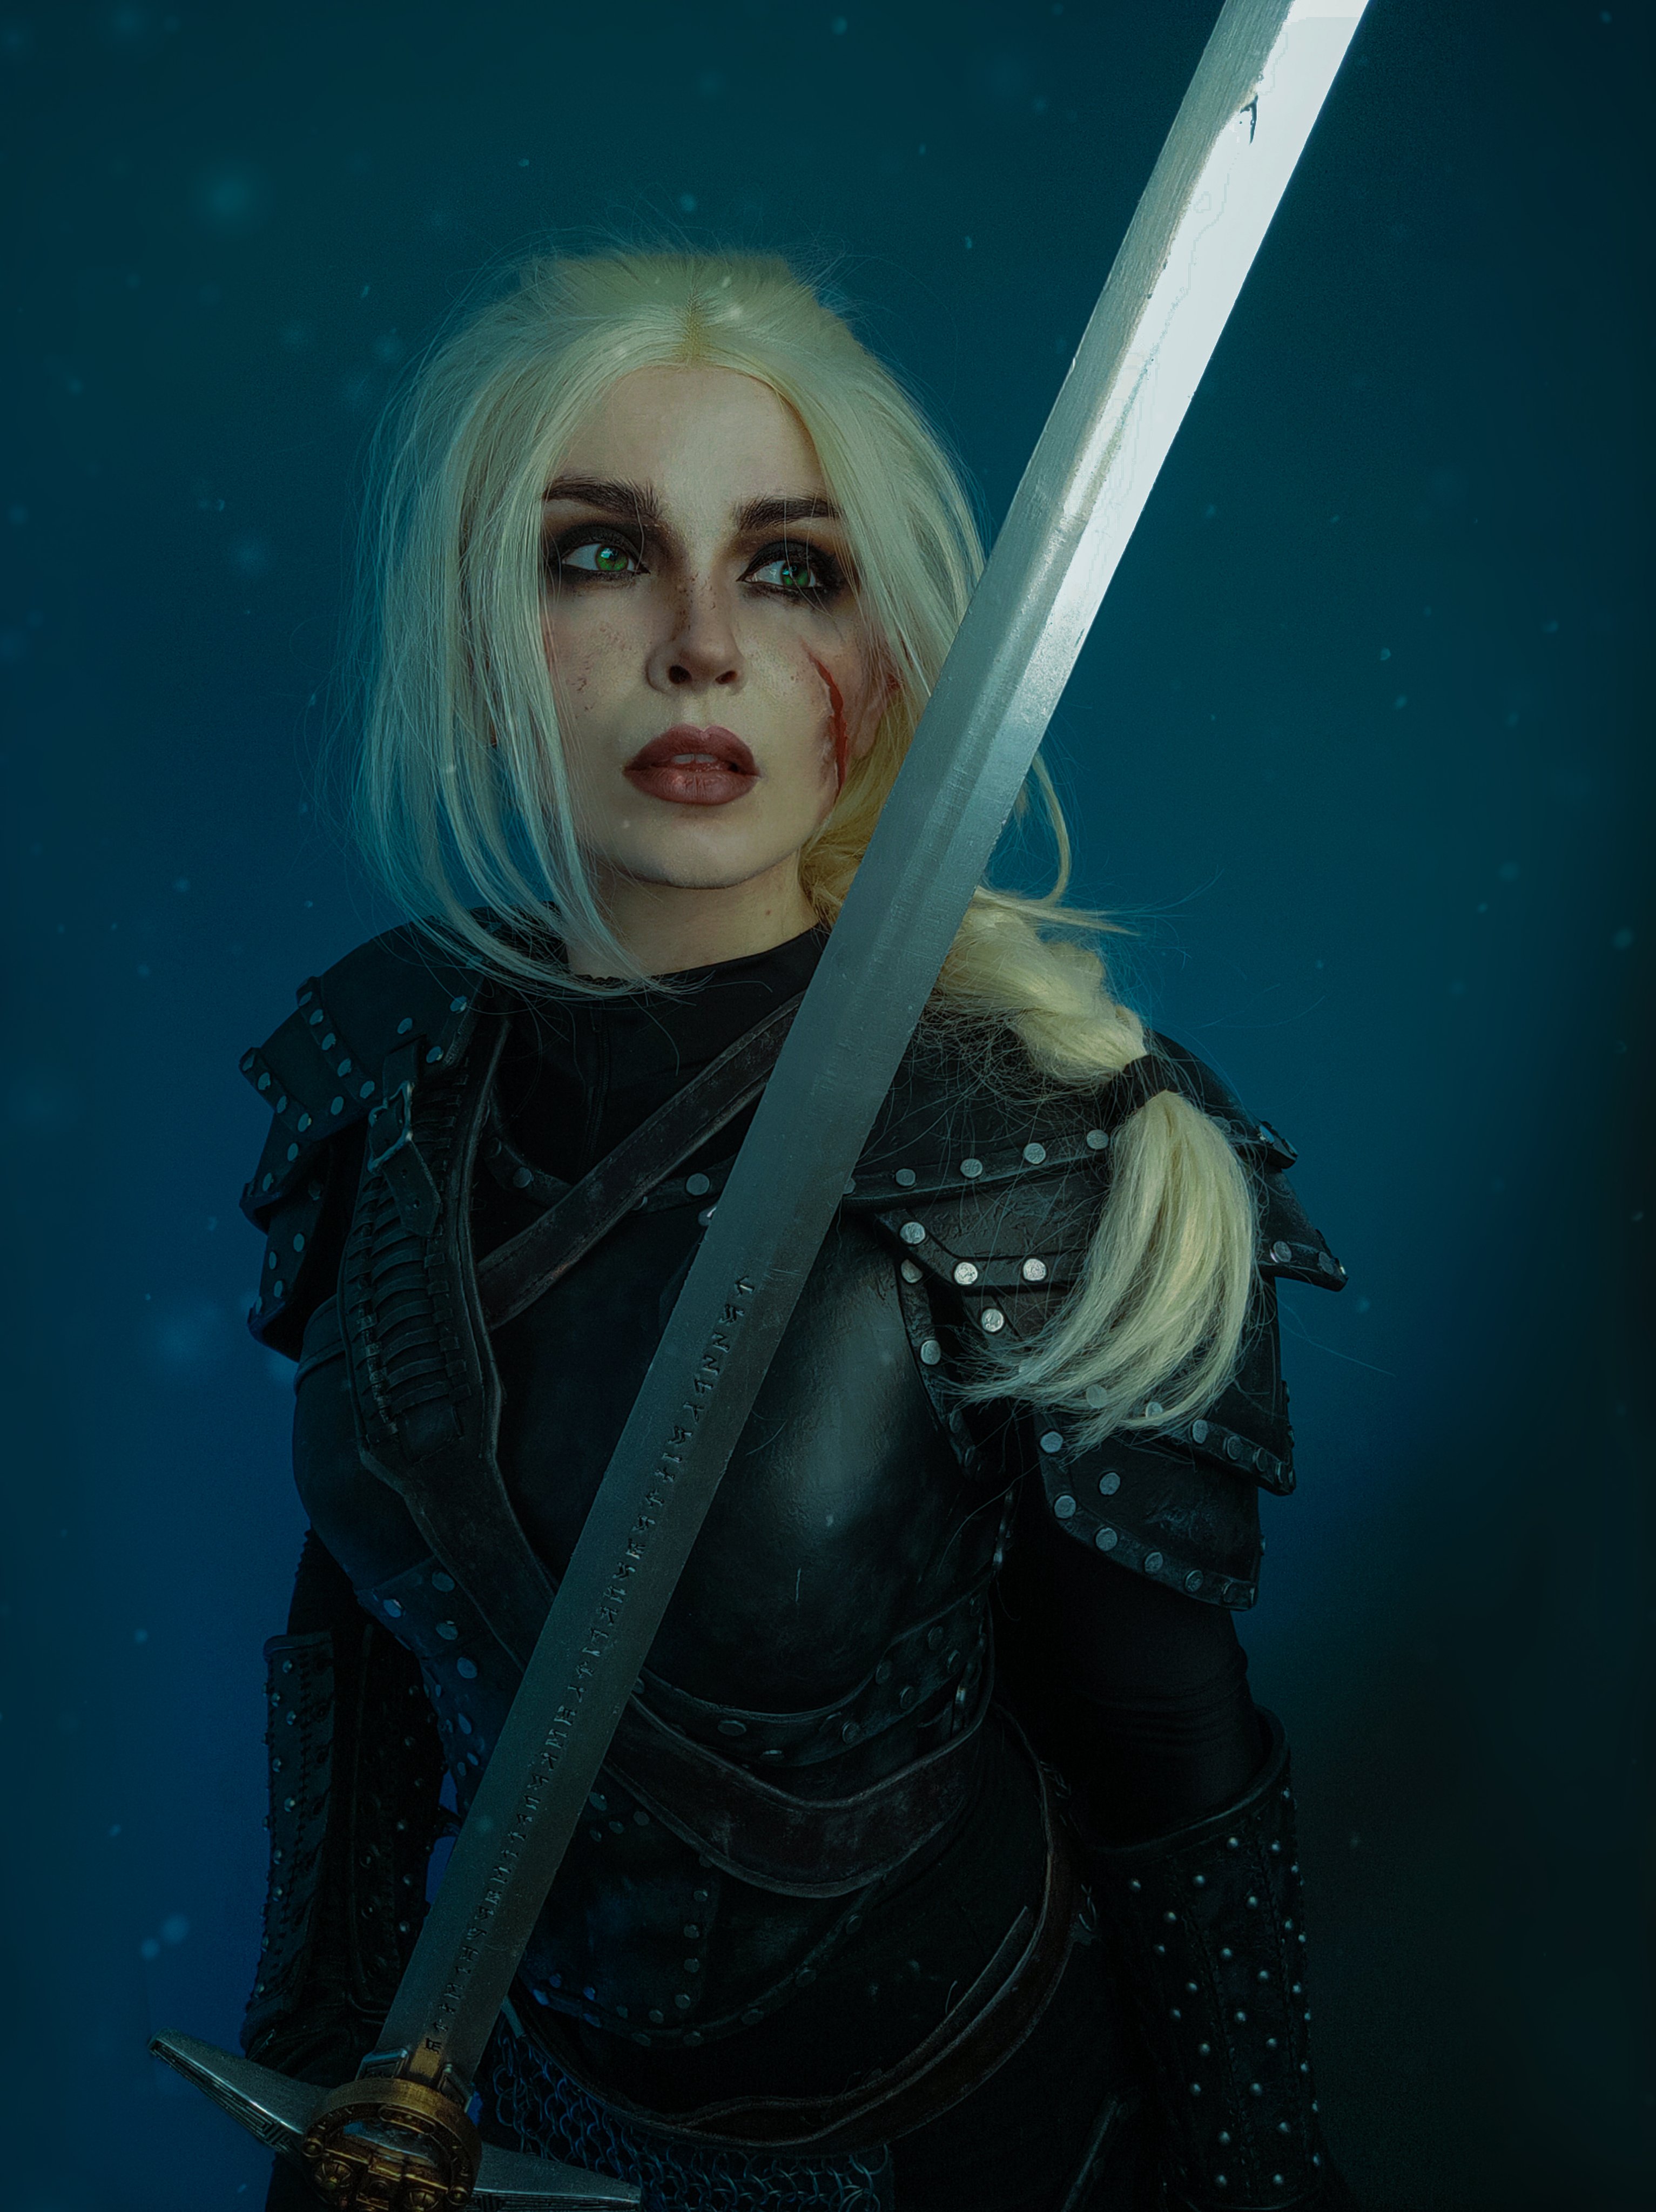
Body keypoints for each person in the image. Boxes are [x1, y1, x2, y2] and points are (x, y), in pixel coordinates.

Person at [239, 249, 1356, 2212]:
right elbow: (373, 1632)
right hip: (516, 2119)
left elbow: (1164, 1748)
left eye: (788, 569)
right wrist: (324, 2071)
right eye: (598, 554)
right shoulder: (378, 1073)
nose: (698, 648)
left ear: (894, 653)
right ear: (479, 637)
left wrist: (1263, 2189)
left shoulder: (1049, 1144)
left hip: (974, 2139)